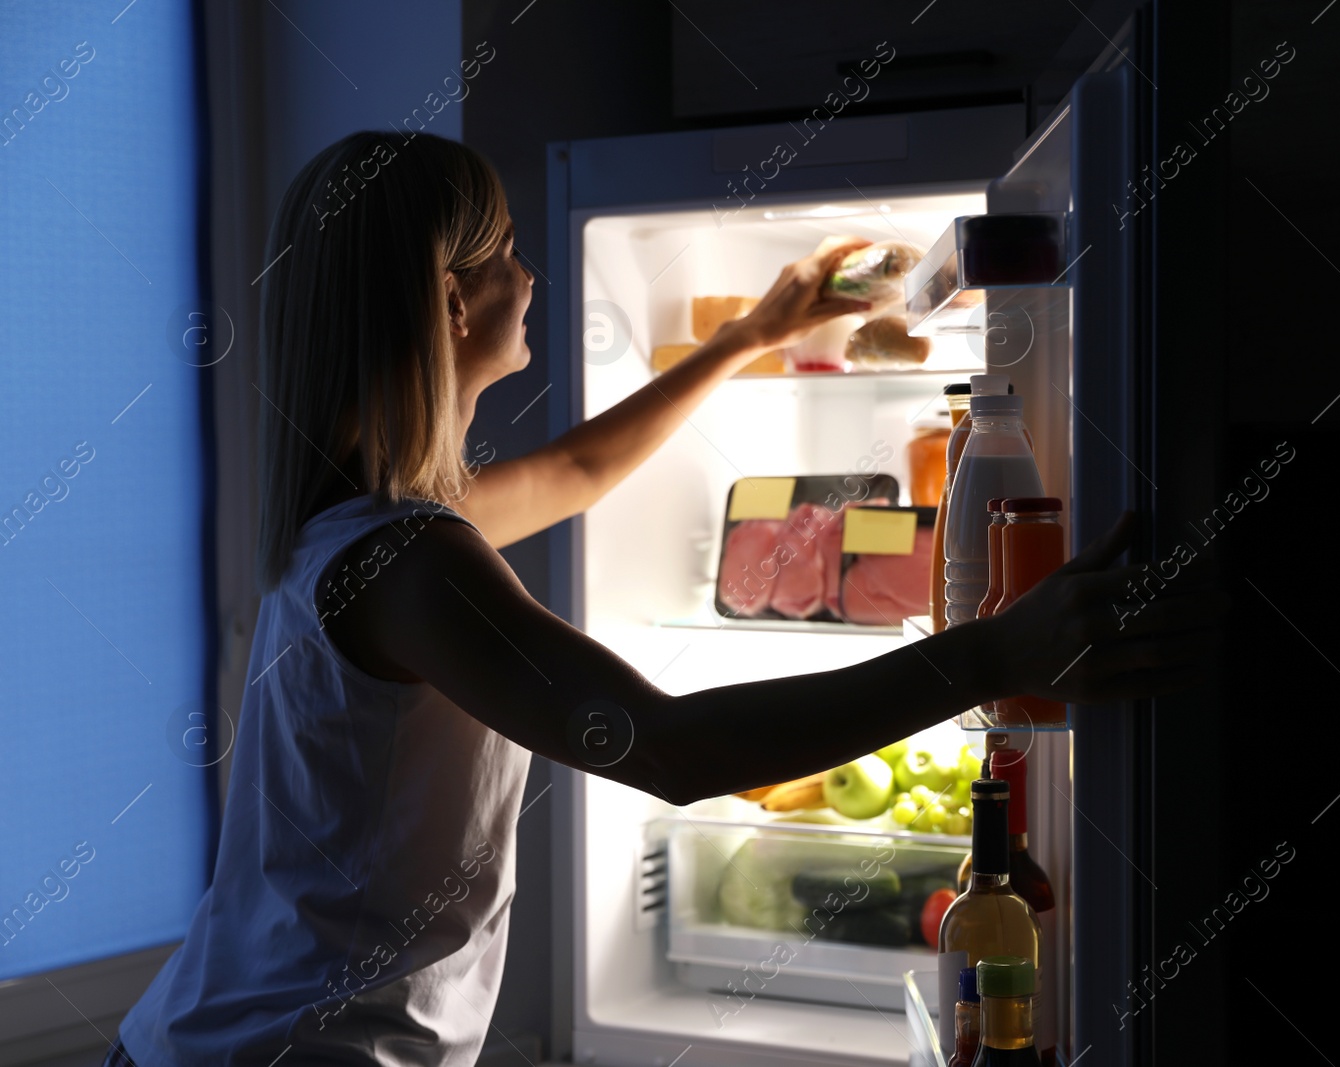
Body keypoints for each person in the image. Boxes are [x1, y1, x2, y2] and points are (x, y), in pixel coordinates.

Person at [108, 131, 1225, 1066]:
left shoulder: (360, 532)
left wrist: (749, 336)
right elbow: (669, 747)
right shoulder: (408, 563)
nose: (531, 275)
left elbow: (578, 474)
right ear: (452, 302)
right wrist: (986, 659)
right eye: (507, 253)